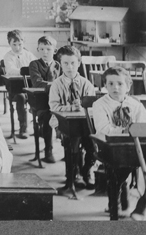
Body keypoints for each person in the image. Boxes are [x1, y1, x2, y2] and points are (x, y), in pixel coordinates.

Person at [93, 66, 146, 220]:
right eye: (110, 84)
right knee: (118, 171)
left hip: (133, 147)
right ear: (105, 85)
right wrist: (129, 131)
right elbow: (103, 128)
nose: (115, 88)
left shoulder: (135, 104)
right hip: (109, 146)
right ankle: (115, 207)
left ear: (128, 86)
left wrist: (137, 131)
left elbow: (145, 126)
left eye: (120, 83)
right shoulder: (99, 104)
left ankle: (137, 206)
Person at [49, 45, 96, 187]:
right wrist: (71, 108)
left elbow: (93, 107)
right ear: (60, 64)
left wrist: (83, 107)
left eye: (73, 63)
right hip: (63, 122)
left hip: (85, 123)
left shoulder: (86, 84)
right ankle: (71, 177)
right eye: (65, 63)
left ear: (79, 63)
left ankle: (86, 171)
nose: (70, 67)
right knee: (72, 143)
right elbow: (54, 107)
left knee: (92, 146)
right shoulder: (56, 85)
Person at [28, 35, 61, 163]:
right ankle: (48, 151)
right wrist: (57, 85)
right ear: (38, 49)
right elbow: (37, 83)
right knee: (48, 116)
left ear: (55, 50)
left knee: (67, 117)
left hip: (57, 102)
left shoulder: (58, 65)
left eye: (48, 49)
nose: (45, 52)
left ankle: (69, 149)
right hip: (41, 103)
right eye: (41, 49)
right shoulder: (34, 64)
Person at [3, 29, 37, 139]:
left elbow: (36, 67)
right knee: (21, 98)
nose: (17, 47)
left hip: (30, 87)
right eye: (14, 44)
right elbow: (11, 70)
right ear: (9, 44)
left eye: (20, 44)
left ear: (24, 43)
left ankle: (40, 126)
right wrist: (26, 71)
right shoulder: (8, 56)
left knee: (40, 96)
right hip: (16, 88)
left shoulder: (29, 55)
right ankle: (23, 127)